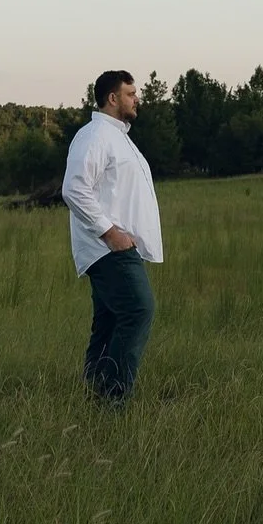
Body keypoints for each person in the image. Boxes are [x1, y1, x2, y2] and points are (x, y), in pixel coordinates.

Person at [61, 70, 162, 405]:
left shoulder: (119, 137)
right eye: (131, 94)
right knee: (138, 309)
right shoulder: (95, 135)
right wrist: (110, 231)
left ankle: (94, 387)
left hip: (117, 244)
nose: (137, 99)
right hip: (108, 247)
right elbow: (74, 188)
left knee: (109, 320)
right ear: (113, 98)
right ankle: (113, 397)